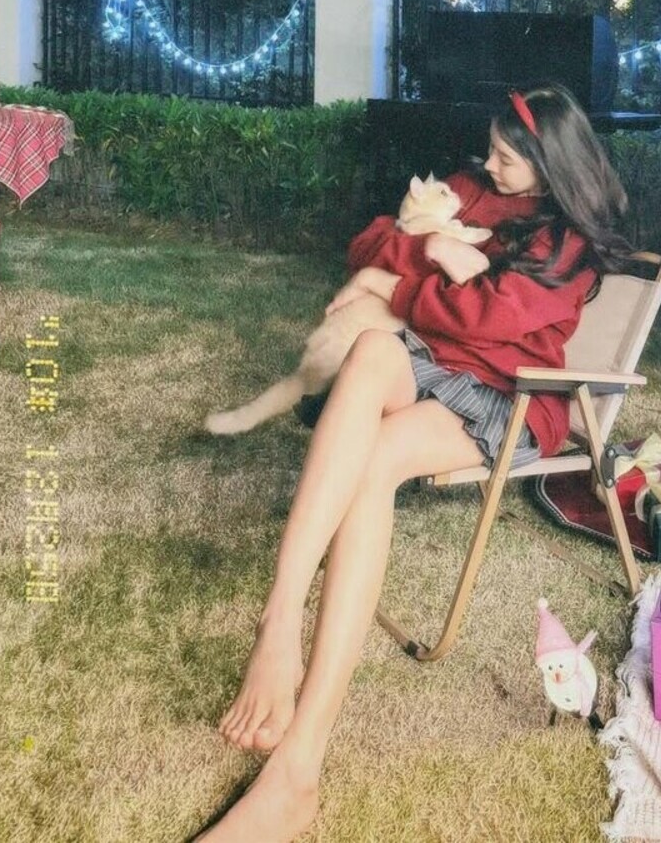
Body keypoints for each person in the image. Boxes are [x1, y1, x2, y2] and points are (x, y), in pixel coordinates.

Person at [197, 84, 631, 842]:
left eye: (506, 157)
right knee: (371, 350)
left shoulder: (566, 244)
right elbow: (369, 241)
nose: (489, 166)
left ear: (549, 163)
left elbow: (487, 316)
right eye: (491, 150)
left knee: (372, 444)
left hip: (511, 396)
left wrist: (396, 283)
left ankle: (297, 766)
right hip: (436, 359)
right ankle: (281, 621)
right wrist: (427, 255)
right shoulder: (475, 190)